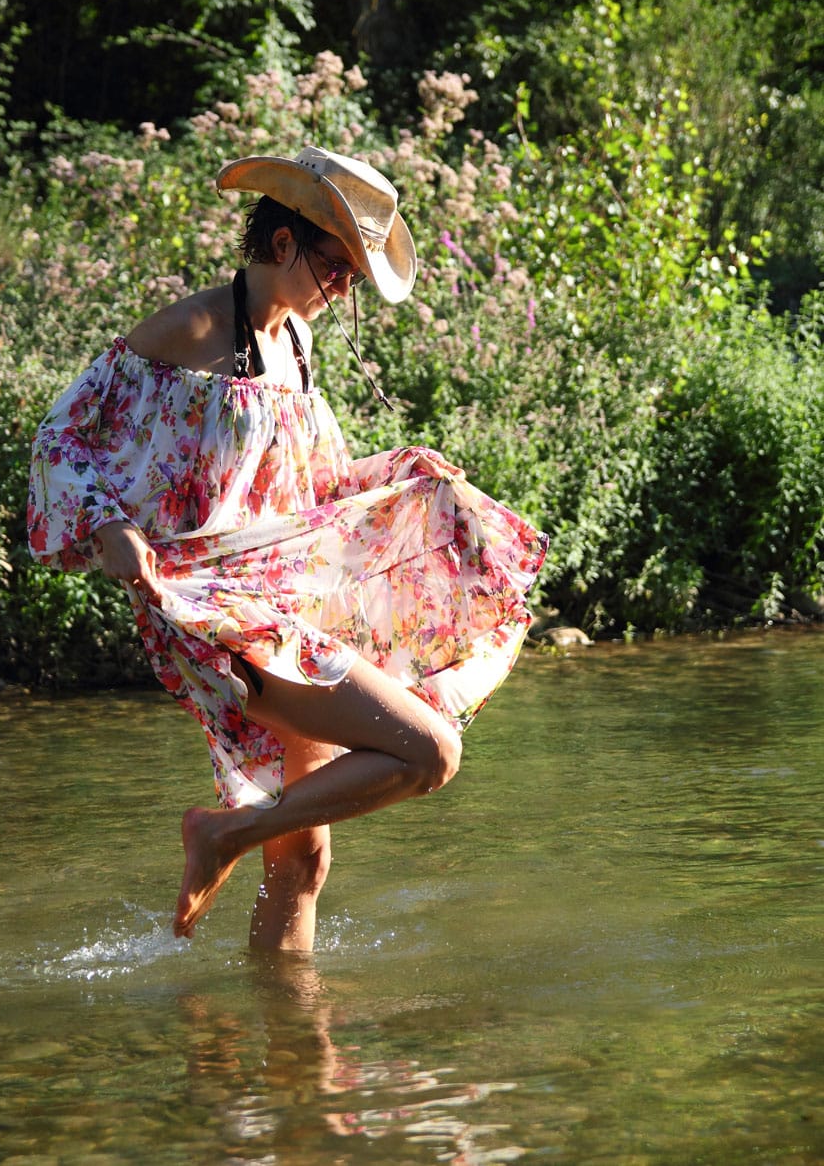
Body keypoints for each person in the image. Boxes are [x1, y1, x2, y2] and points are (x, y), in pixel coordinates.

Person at [28, 144, 548, 951]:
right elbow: (63, 436)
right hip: (220, 615)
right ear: (282, 244)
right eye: (338, 266)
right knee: (429, 754)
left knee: (302, 863)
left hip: (284, 601)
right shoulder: (191, 330)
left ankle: (291, 1063)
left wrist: (403, 471)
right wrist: (110, 526)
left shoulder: (294, 343)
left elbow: (308, 485)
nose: (344, 288)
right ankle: (219, 835)